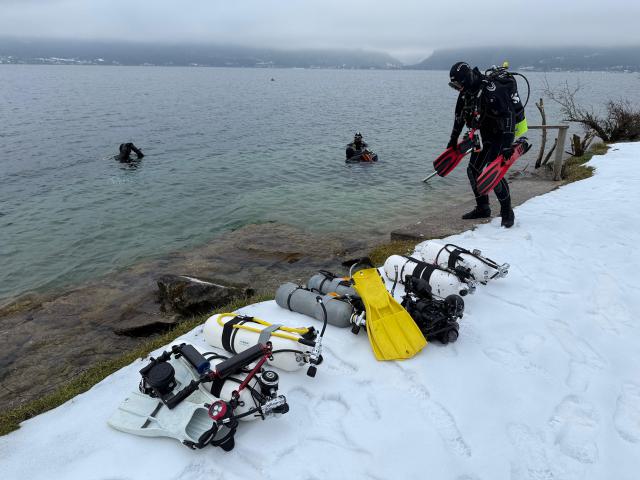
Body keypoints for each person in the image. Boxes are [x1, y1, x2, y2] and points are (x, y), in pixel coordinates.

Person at [447, 62, 521, 228]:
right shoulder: (466, 93)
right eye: (455, 85)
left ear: (466, 79)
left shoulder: (491, 89)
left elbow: (509, 116)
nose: (458, 88)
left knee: (492, 172)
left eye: (458, 84)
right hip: (483, 135)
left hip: (500, 135)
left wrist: (507, 145)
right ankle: (483, 208)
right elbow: (459, 117)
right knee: (473, 170)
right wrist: (453, 139)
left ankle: (507, 212)